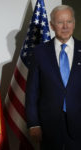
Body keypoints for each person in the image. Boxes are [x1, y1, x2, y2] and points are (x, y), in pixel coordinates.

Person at [25, 5, 81, 150]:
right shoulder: (39, 52)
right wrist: (33, 123)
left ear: (74, 24)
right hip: (48, 126)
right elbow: (32, 92)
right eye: (60, 22)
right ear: (51, 25)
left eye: (69, 21)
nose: (65, 26)